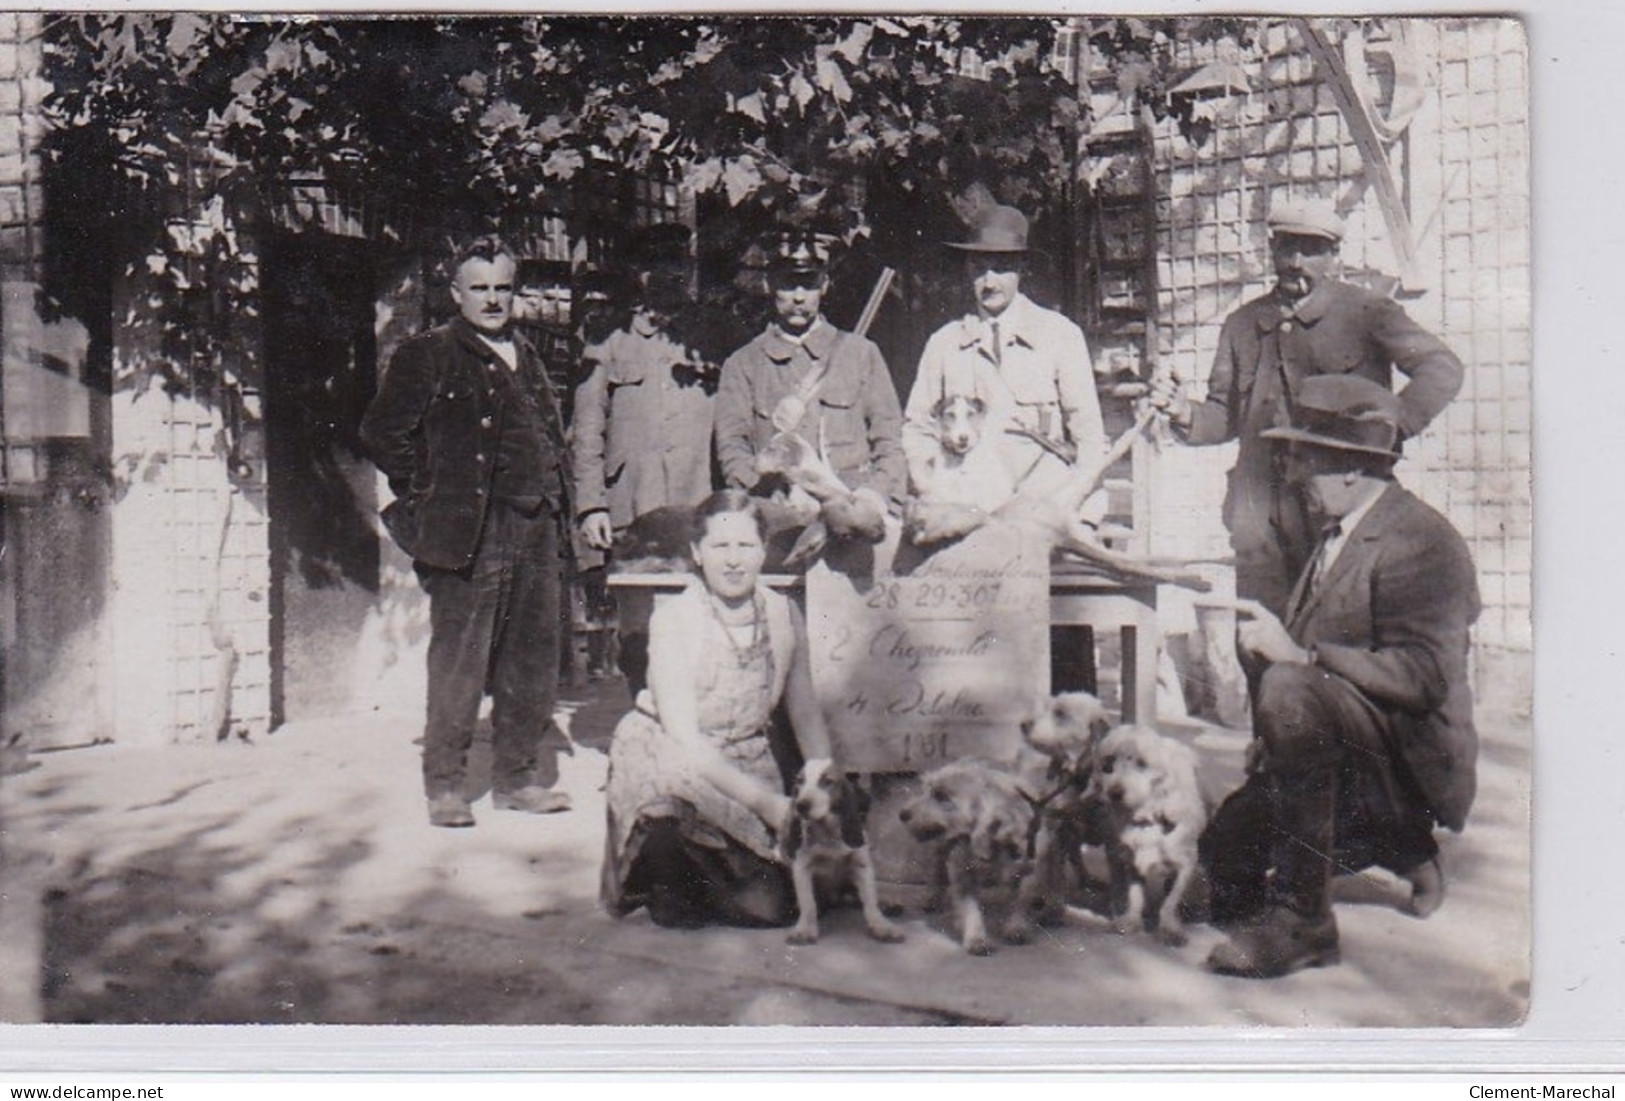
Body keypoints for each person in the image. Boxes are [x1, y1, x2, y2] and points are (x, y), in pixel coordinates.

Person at [1199, 374, 1480, 978]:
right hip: (1354, 749)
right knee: (1221, 857)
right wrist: (1276, 732)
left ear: (1352, 468)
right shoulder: (1338, 532)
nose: (1296, 475)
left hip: (1408, 761)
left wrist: (1301, 664)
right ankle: (1399, 846)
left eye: (1308, 460)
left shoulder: (1423, 541)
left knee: (1289, 685)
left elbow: (1426, 677)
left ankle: (1304, 923)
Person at [1152, 196, 1465, 618]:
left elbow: (1441, 367)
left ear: (1333, 255)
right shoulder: (1243, 324)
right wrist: (1183, 412)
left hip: (1336, 502)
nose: (1296, 261)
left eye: (1312, 250)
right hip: (1258, 513)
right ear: (1272, 249)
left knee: (1337, 627)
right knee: (1258, 634)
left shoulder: (1368, 312)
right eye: (1286, 247)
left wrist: (1392, 425)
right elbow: (1223, 417)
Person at [361, 235, 572, 828]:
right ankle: (447, 788)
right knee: (461, 660)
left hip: (536, 524)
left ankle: (517, 780)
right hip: (470, 532)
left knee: (530, 659)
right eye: (479, 288)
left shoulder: (526, 353)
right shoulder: (426, 354)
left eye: (503, 287)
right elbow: (383, 434)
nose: (492, 299)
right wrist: (431, 495)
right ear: (456, 293)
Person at [601, 490, 834, 928]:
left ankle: (701, 878)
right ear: (697, 553)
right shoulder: (675, 619)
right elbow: (684, 740)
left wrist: (822, 780)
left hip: (745, 757)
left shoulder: (783, 614)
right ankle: (668, 873)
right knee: (678, 833)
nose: (733, 560)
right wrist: (767, 804)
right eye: (719, 547)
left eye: (745, 546)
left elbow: (804, 712)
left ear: (763, 550)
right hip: (678, 762)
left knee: (781, 906)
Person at [572, 223, 719, 694]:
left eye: (677, 264)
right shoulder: (608, 339)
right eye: (656, 265)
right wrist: (591, 504)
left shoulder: (711, 336)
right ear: (638, 273)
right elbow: (588, 428)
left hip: (697, 501)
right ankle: (644, 714)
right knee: (638, 629)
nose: (668, 275)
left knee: (700, 620)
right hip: (632, 505)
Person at [902, 203, 1107, 511]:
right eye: (979, 268)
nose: (989, 282)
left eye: (1001, 268)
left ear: (1022, 269)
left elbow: (1088, 436)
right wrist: (934, 490)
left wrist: (1083, 511)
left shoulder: (1060, 335)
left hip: (1042, 504)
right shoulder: (944, 344)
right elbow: (917, 429)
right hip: (965, 505)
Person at [713, 230, 906, 536]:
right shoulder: (743, 364)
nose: (799, 297)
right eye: (788, 284)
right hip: (779, 520)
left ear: (825, 285)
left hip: (853, 517)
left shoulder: (860, 354)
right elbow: (732, 450)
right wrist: (760, 482)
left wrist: (874, 498)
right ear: (768, 285)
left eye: (810, 283)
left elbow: (890, 442)